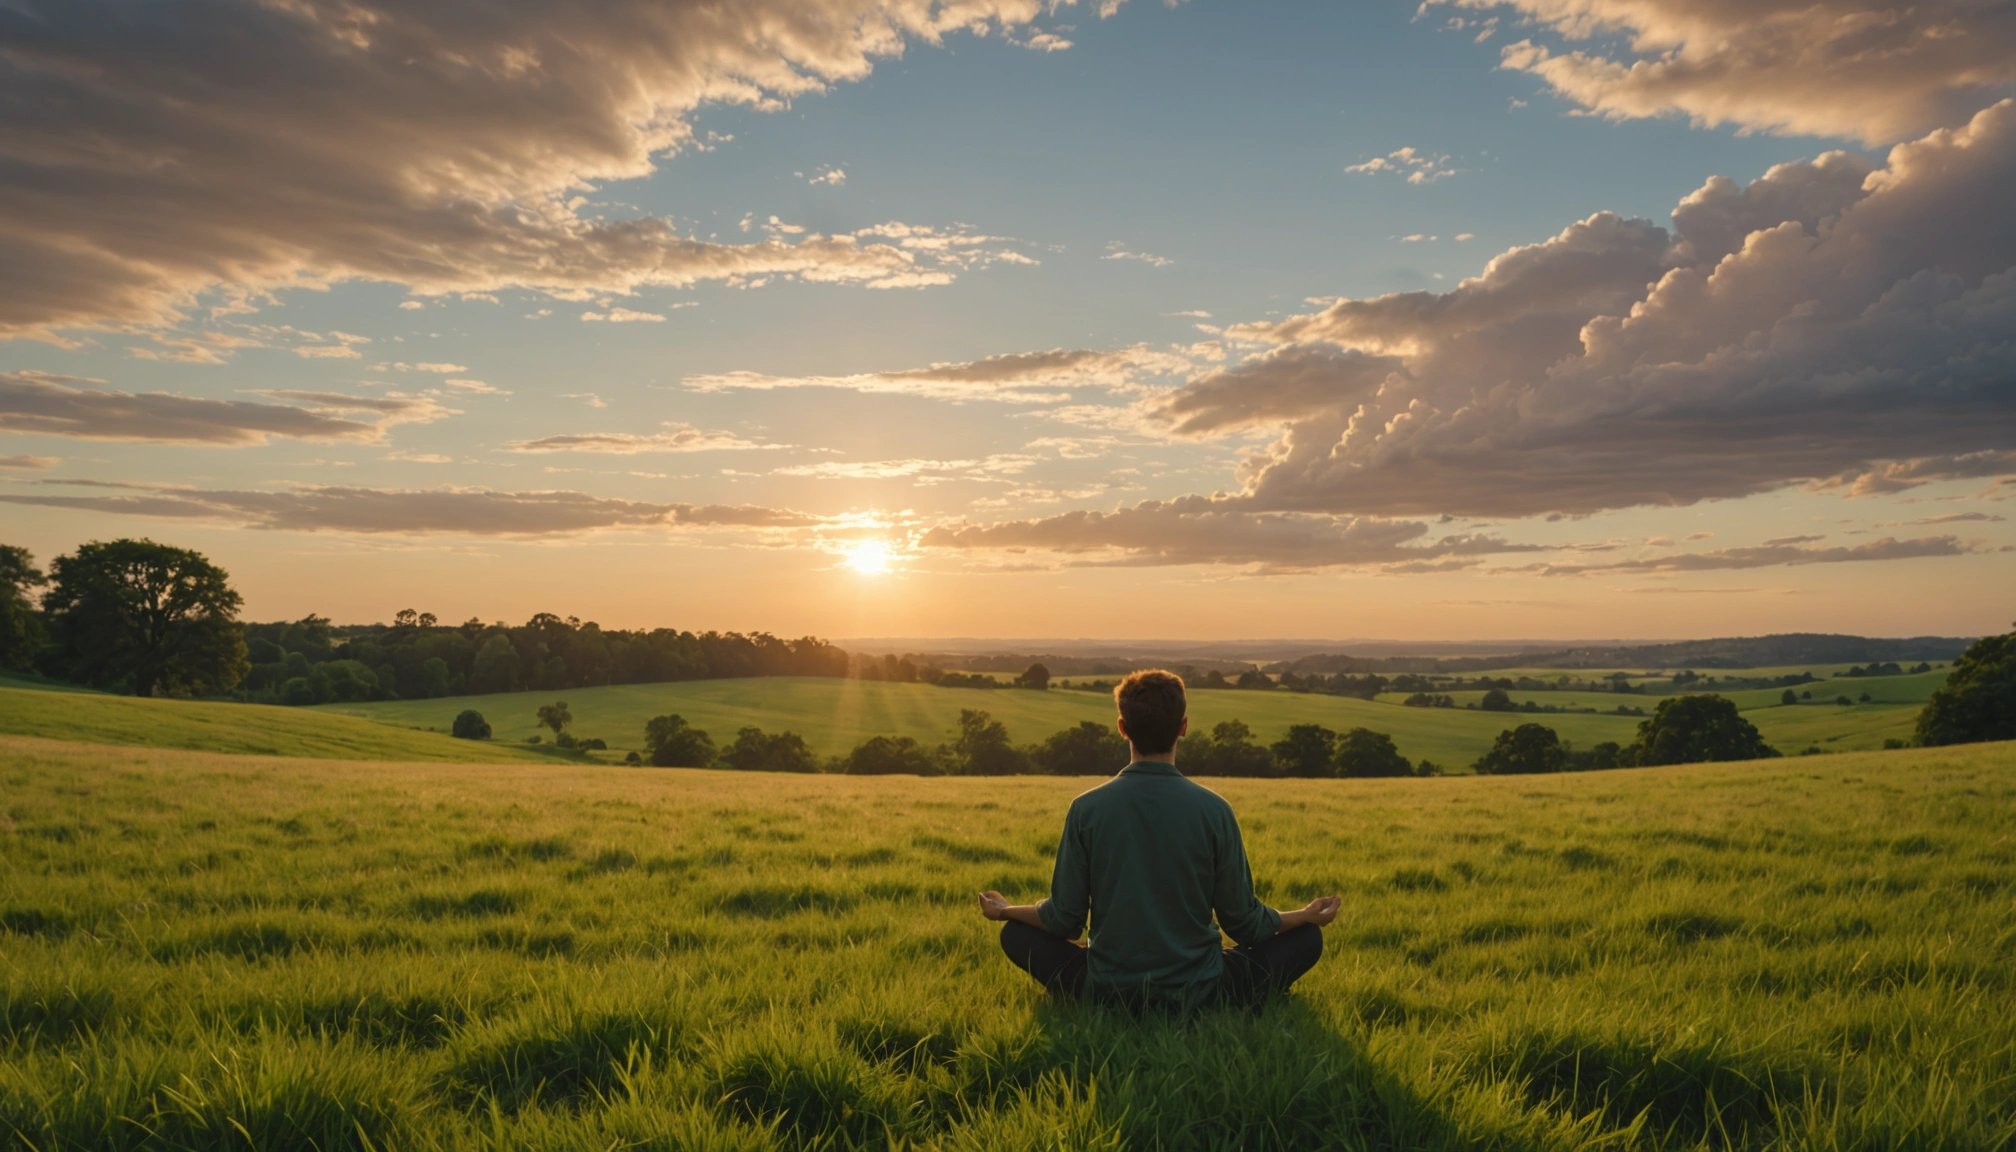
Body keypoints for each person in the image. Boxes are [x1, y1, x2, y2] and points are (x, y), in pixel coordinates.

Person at [978, 669, 1339, 1010]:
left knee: (1015, 934)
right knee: (1308, 939)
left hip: (1109, 987)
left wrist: (1006, 911)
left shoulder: (1085, 809)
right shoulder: (1215, 810)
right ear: (1183, 727)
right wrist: (1304, 915)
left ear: (1122, 728)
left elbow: (1064, 920)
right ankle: (1220, 999)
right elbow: (1245, 924)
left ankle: (1095, 997)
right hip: (1202, 989)